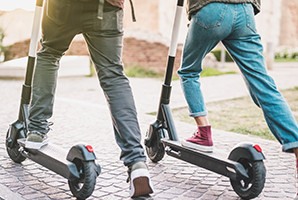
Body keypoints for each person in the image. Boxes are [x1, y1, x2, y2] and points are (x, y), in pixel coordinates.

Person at [25, 0, 153, 197]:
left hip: (62, 7)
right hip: (107, 6)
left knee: (49, 54)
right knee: (113, 76)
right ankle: (136, 162)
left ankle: (36, 129)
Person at [178, 0, 298, 195]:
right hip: (245, 10)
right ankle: (297, 146)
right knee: (263, 84)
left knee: (189, 72)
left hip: (210, 8)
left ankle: (203, 133)